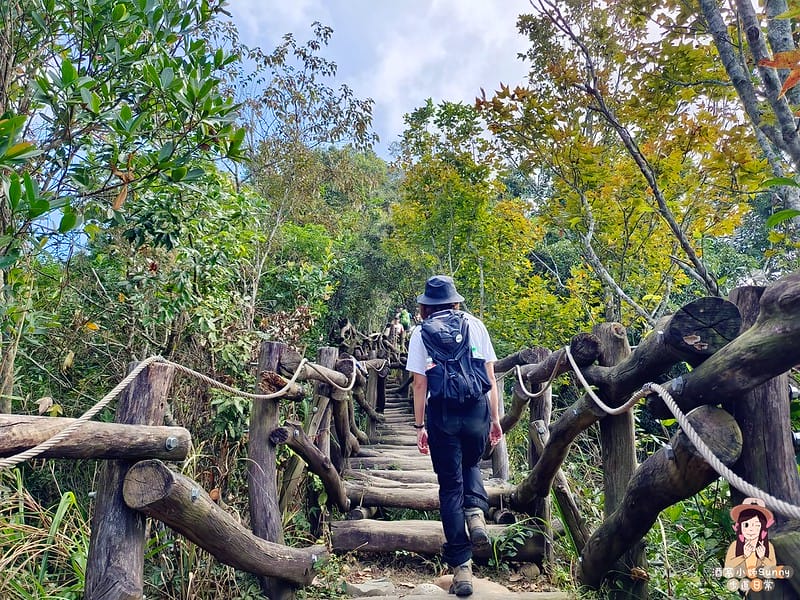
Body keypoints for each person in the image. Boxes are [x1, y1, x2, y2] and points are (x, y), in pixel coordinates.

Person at [405, 275, 503, 597]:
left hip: (442, 414)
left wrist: (420, 426)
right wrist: (495, 418)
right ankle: (476, 515)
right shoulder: (475, 325)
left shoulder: (421, 333)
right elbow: (490, 375)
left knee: (449, 487)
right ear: (455, 300)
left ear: (426, 306)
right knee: (472, 463)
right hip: (477, 408)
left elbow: (419, 384)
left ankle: (462, 570)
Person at [724, 497, 777, 578]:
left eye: (756, 525)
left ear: (762, 527)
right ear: (740, 526)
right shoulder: (735, 546)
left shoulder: (768, 546)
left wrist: (763, 557)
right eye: (746, 525)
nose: (751, 529)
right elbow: (727, 568)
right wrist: (744, 556)